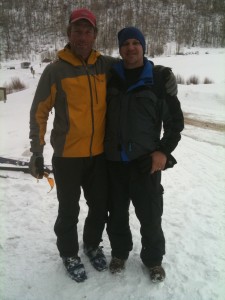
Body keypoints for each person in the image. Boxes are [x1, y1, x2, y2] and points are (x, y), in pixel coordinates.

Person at [29, 8, 178, 283]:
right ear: (68, 34)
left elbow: (135, 61)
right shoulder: (55, 70)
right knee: (69, 210)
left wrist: (161, 73)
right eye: (77, 31)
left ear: (95, 35)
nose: (82, 36)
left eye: (88, 31)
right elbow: (39, 111)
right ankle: (69, 253)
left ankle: (92, 244)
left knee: (100, 207)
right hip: (68, 156)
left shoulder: (104, 65)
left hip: (99, 155)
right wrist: (36, 151)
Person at [104, 27, 184, 283]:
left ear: (143, 46)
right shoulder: (110, 78)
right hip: (113, 162)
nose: (130, 47)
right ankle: (119, 254)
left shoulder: (158, 79)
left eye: (135, 42)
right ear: (119, 49)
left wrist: (162, 151)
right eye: (125, 43)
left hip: (145, 163)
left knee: (150, 215)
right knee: (116, 214)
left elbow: (175, 123)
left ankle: (153, 260)